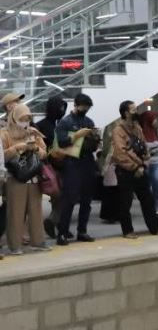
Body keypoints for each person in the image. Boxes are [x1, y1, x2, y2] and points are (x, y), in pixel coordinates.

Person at [112, 101, 158, 239]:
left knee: (147, 200)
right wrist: (135, 167)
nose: (136, 112)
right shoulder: (118, 130)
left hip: (141, 168)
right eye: (133, 110)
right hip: (125, 171)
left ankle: (155, 227)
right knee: (125, 202)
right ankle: (127, 230)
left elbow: (144, 147)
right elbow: (120, 153)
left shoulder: (137, 128)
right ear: (125, 113)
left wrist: (144, 163)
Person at [2, 105, 50, 255]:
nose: (26, 122)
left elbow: (44, 154)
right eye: (22, 119)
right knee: (15, 212)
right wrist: (18, 147)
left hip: (33, 177)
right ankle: (14, 245)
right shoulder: (5, 134)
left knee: (36, 211)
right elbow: (2, 156)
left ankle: (38, 241)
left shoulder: (33, 133)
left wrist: (35, 148)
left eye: (28, 119)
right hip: (15, 178)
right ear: (14, 118)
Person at [54, 94, 99, 246]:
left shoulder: (88, 121)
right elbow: (61, 142)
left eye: (88, 107)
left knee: (87, 199)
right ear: (76, 105)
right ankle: (62, 232)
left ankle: (82, 231)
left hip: (87, 162)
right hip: (72, 163)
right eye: (84, 106)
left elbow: (93, 144)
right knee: (69, 199)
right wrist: (77, 136)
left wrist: (94, 137)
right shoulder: (65, 122)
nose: (85, 109)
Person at [36, 96, 67, 239]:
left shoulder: (63, 123)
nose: (63, 110)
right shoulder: (42, 125)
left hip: (64, 164)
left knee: (60, 197)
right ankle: (54, 222)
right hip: (50, 166)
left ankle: (59, 225)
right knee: (59, 196)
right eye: (60, 108)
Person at [139, 111, 158, 217]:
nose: (156, 121)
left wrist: (151, 150)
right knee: (146, 187)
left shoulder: (156, 131)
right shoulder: (140, 131)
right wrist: (152, 148)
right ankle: (149, 209)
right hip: (144, 163)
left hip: (156, 161)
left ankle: (156, 207)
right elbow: (141, 146)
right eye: (154, 118)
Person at [97, 114, 121, 223]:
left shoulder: (109, 125)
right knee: (114, 189)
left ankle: (110, 214)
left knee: (111, 189)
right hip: (113, 160)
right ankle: (113, 214)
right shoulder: (115, 124)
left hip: (110, 160)